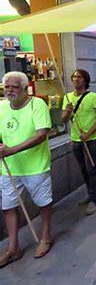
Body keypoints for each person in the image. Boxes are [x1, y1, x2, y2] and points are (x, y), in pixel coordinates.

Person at [0, 72, 53, 266]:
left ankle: (46, 237)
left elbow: (41, 135)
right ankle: (13, 248)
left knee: (43, 203)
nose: (10, 90)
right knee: (8, 206)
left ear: (24, 89)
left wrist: (12, 150)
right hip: (9, 168)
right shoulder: (1, 106)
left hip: (35, 166)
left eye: (14, 87)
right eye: (7, 87)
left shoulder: (37, 104)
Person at [62, 69, 96, 215]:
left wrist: (88, 133)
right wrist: (67, 111)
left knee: (92, 168)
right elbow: (63, 120)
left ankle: (94, 199)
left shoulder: (93, 97)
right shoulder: (67, 97)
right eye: (74, 77)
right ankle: (90, 192)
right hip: (75, 140)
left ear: (85, 80)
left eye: (79, 77)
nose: (76, 79)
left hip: (91, 140)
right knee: (83, 169)